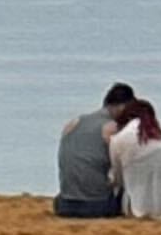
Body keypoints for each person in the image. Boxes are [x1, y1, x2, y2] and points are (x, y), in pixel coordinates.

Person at [52, 83, 139, 218]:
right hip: (97, 206)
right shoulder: (112, 128)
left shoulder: (74, 122)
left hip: (64, 204)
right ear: (122, 107)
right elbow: (124, 168)